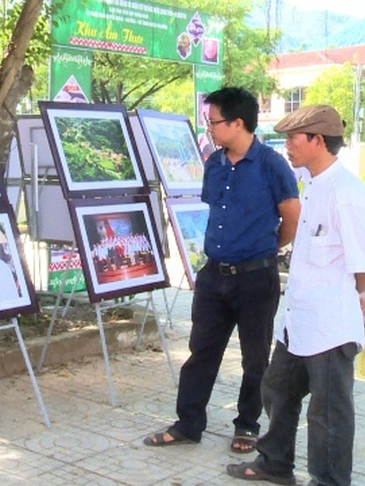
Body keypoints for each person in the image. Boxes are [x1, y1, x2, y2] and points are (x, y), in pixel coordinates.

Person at [227, 106, 365, 485]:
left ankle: (328, 480)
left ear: (317, 141)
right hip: (298, 320)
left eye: (294, 138)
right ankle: (276, 463)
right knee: (277, 388)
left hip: (329, 325)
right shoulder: (310, 185)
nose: (287, 146)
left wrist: (347, 293)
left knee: (328, 413)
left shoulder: (348, 194)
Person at [144, 87, 301, 453]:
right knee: (201, 351)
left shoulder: (271, 165)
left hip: (256, 277)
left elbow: (292, 217)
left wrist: (267, 246)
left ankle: (247, 424)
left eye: (213, 122)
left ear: (237, 123)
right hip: (214, 276)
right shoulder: (213, 164)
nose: (209, 129)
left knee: (254, 357)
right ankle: (188, 423)